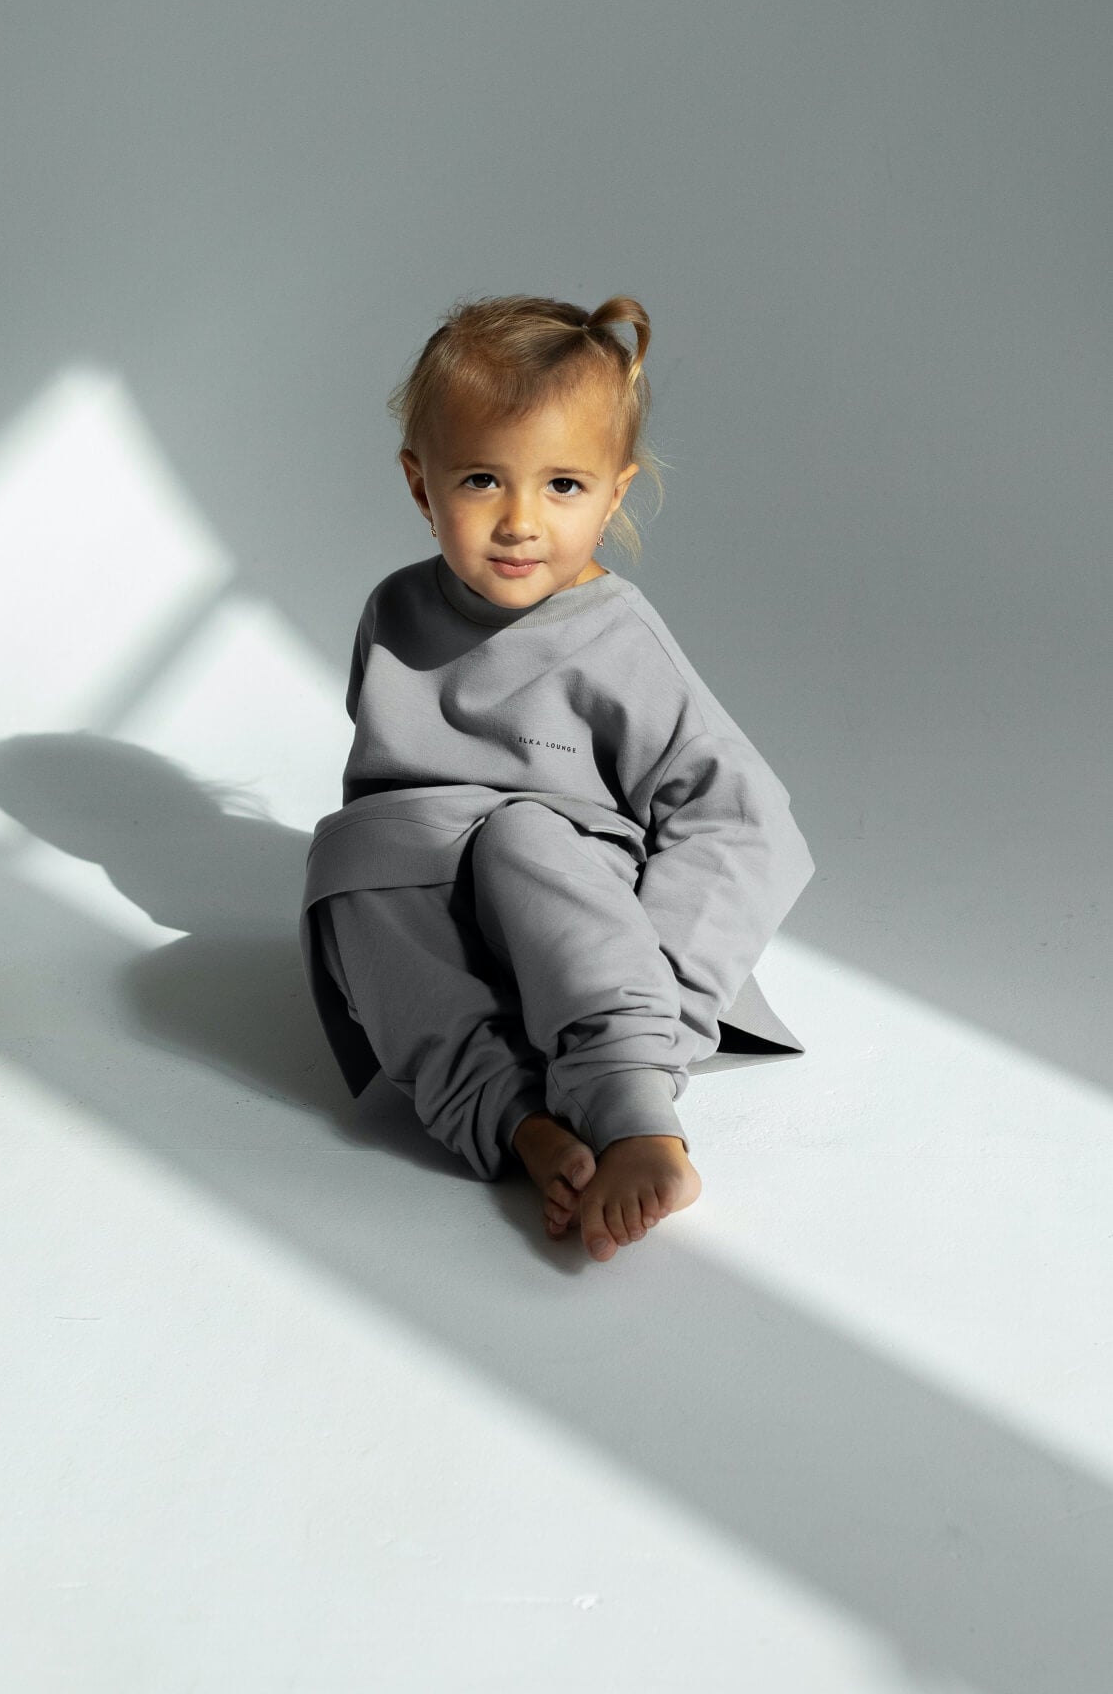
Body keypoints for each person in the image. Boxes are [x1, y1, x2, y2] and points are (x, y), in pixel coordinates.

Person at [298, 294, 815, 1263]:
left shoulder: (616, 639)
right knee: (354, 856)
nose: (519, 522)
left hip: (581, 931)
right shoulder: (392, 611)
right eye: (482, 480)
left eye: (564, 485)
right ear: (420, 485)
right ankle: (513, 1115)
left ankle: (630, 1113)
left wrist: (654, 1022)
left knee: (521, 834)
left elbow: (745, 821)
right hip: (456, 929)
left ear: (613, 497)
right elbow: (388, 793)